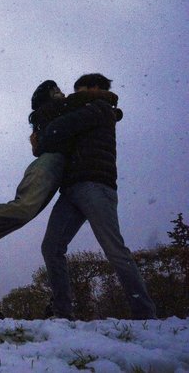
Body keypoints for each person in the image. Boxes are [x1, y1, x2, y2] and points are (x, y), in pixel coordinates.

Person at [0, 80, 124, 277]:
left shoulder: (57, 111)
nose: (61, 93)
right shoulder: (54, 108)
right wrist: (107, 99)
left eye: (59, 89)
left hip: (58, 173)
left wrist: (109, 114)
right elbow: (81, 105)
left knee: (21, 216)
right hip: (49, 164)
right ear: (45, 98)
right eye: (54, 90)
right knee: (23, 209)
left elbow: (81, 117)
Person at [36, 73, 156, 320]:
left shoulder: (100, 109)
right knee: (51, 247)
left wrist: (44, 127)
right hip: (72, 190)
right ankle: (61, 313)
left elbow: (59, 130)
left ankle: (145, 314)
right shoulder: (89, 111)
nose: (73, 94)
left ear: (93, 88)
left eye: (78, 89)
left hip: (94, 186)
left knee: (114, 249)